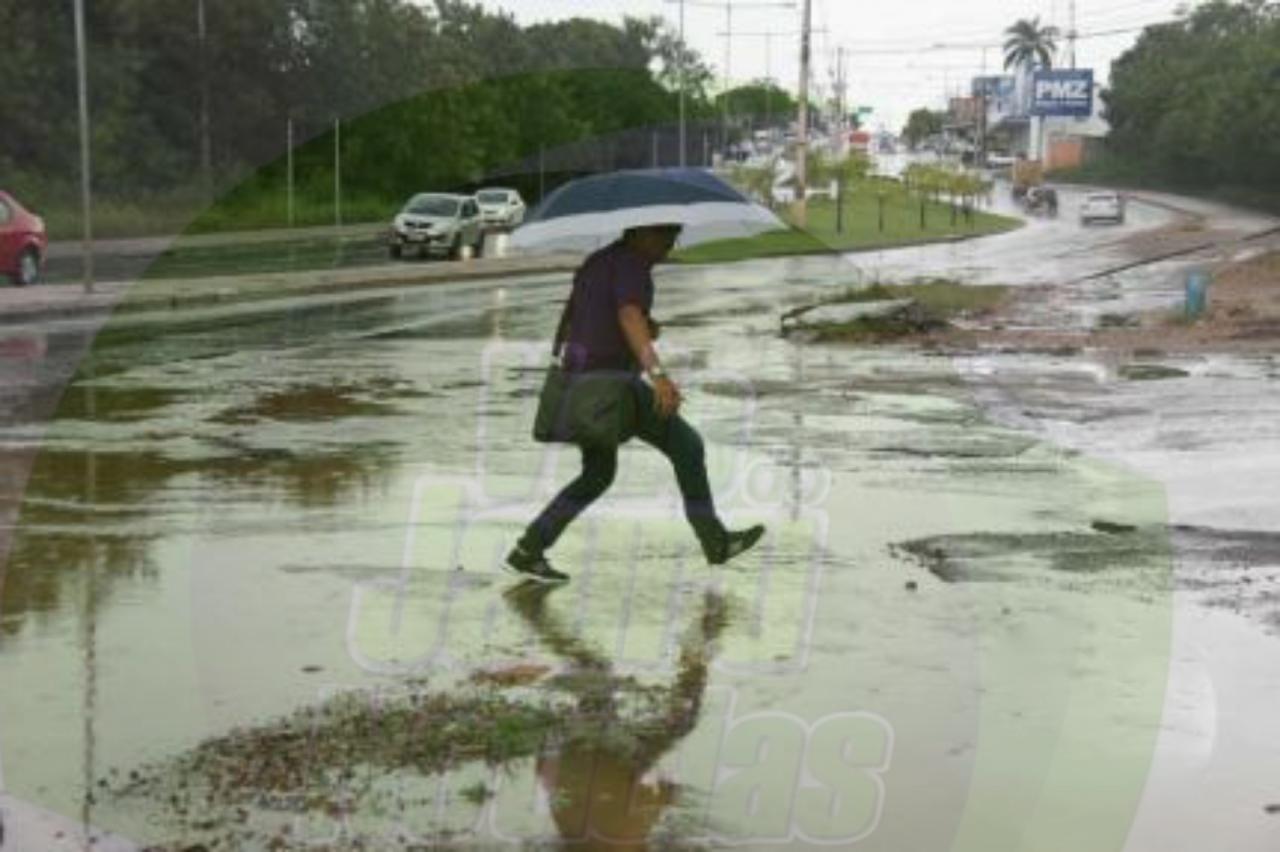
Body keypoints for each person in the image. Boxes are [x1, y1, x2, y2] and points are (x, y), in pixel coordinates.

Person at [507, 222, 765, 583]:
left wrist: (644, 328)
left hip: (582, 384)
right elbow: (627, 315)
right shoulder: (631, 265)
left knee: (597, 474)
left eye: (674, 236)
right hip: (613, 385)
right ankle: (716, 541)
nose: (669, 245)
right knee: (687, 446)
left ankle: (529, 549)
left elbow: (588, 322)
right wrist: (658, 376)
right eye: (664, 236)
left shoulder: (597, 261)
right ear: (641, 233)